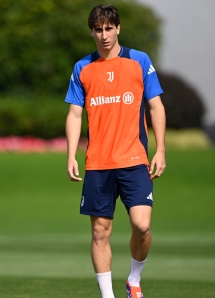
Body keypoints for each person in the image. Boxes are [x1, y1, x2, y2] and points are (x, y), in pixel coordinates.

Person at [65, 4, 166, 298]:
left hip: (135, 160)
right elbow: (74, 114)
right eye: (98, 29)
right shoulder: (82, 68)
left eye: (109, 28)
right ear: (92, 31)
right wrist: (71, 154)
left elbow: (156, 105)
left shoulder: (139, 61)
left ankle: (133, 279)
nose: (104, 35)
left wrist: (160, 149)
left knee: (142, 225)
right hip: (98, 163)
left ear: (118, 28)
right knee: (100, 232)